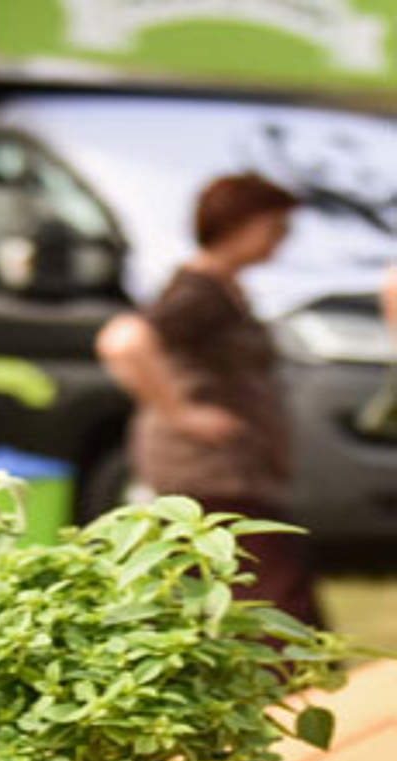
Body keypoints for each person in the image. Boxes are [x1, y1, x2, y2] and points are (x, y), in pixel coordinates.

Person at [96, 173, 325, 629]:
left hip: (236, 466)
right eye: (276, 228)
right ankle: (301, 688)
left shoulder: (223, 288)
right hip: (208, 469)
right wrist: (179, 412)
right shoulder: (198, 291)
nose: (281, 242)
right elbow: (123, 341)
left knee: (234, 591)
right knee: (271, 595)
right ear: (242, 225)